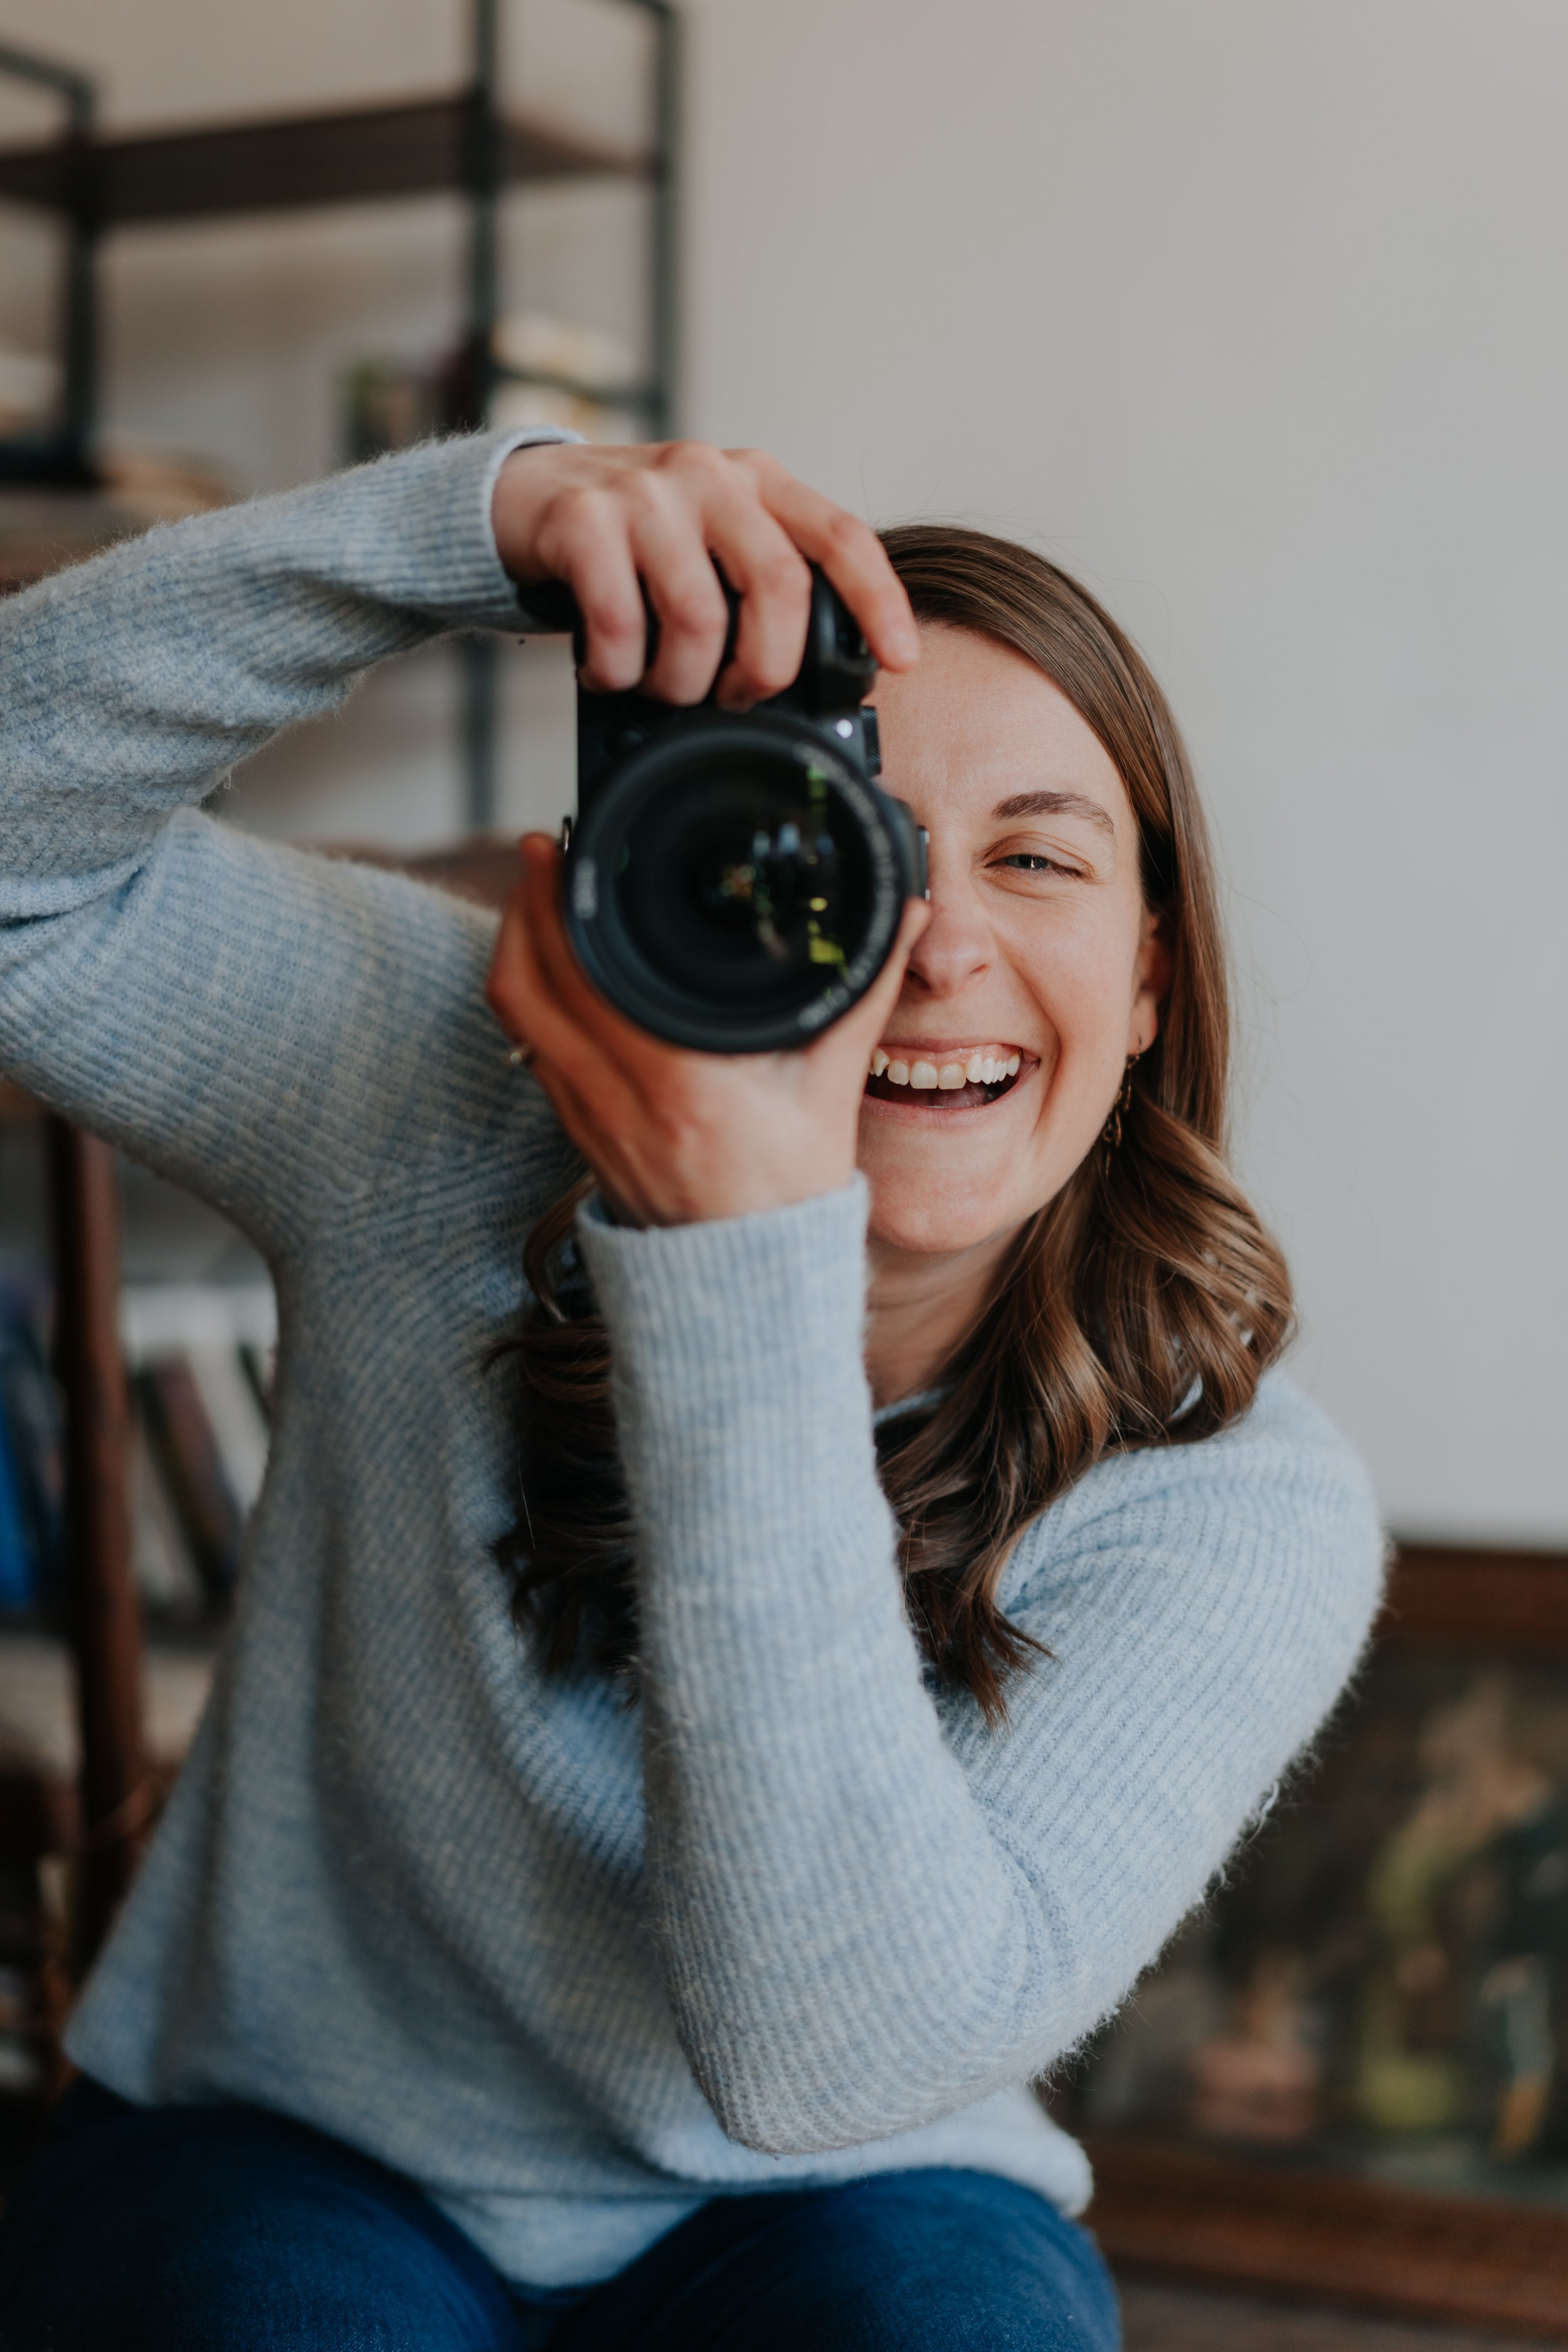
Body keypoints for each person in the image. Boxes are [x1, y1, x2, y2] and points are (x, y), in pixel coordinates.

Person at [0, 429, 1382, 2350]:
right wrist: (469, 526)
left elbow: (830, 2062)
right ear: (661, 868)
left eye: (1038, 859)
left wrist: (732, 1252)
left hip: (850, 2183)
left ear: (1148, 975)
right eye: (850, 841)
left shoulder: (1237, 1506)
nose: (938, 944)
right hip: (292, 2138)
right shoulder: (446, 1087)